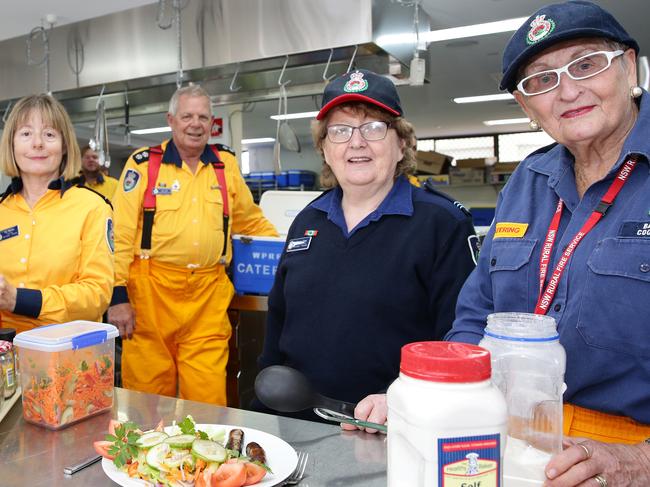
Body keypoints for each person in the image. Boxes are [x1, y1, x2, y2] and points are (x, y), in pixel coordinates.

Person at [446, 2, 650, 485]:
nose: (567, 91)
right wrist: (442, 394)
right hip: (509, 440)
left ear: (628, 67)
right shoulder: (527, 181)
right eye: (540, 81)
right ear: (525, 107)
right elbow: (478, 311)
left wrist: (640, 461)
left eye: (585, 64)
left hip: (625, 455)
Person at [255, 69, 477, 426]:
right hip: (297, 421)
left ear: (401, 142)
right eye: (340, 131)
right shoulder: (308, 220)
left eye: (374, 128)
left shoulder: (442, 224)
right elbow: (278, 325)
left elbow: (462, 340)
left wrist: (405, 395)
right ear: (325, 148)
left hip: (393, 427)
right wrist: (265, 409)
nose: (356, 143)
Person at [108, 84, 277, 405]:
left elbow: (250, 221)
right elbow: (120, 234)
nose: (195, 124)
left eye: (203, 116)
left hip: (208, 297)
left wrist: (288, 252)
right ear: (171, 120)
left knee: (208, 397)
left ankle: (204, 453)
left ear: (212, 123)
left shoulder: (224, 165)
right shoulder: (143, 165)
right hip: (149, 298)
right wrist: (117, 296)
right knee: (146, 398)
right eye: (187, 116)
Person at [0, 94, 114, 333]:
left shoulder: (92, 207)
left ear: (64, 147)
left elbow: (97, 294)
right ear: (11, 144)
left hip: (67, 353)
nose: (37, 143)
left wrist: (20, 300)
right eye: (26, 134)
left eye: (49, 134)